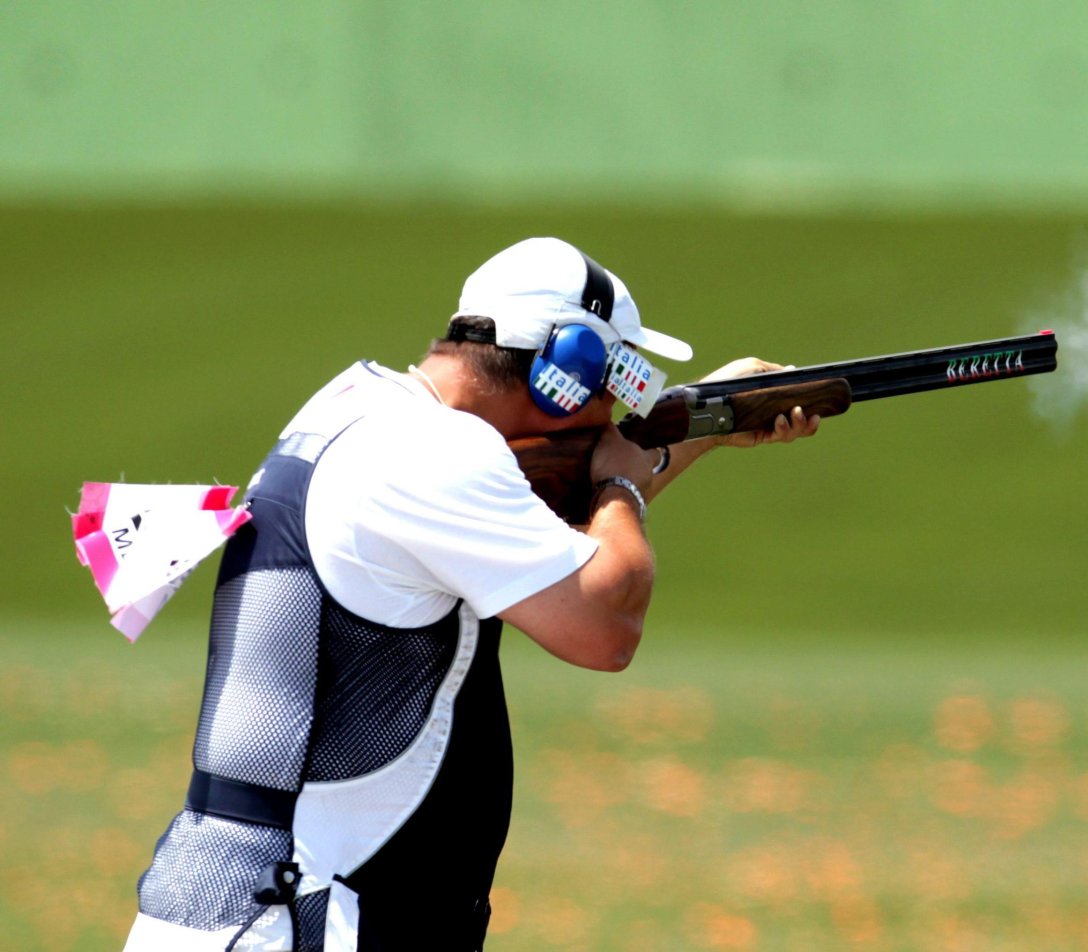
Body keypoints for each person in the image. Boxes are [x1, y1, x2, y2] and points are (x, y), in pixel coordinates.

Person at [121, 237, 819, 951]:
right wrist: (618, 485)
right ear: (565, 373)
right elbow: (605, 626)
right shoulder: (433, 453)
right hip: (300, 916)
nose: (619, 407)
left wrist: (703, 427)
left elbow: (547, 547)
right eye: (620, 379)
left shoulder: (366, 408)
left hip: (277, 902)